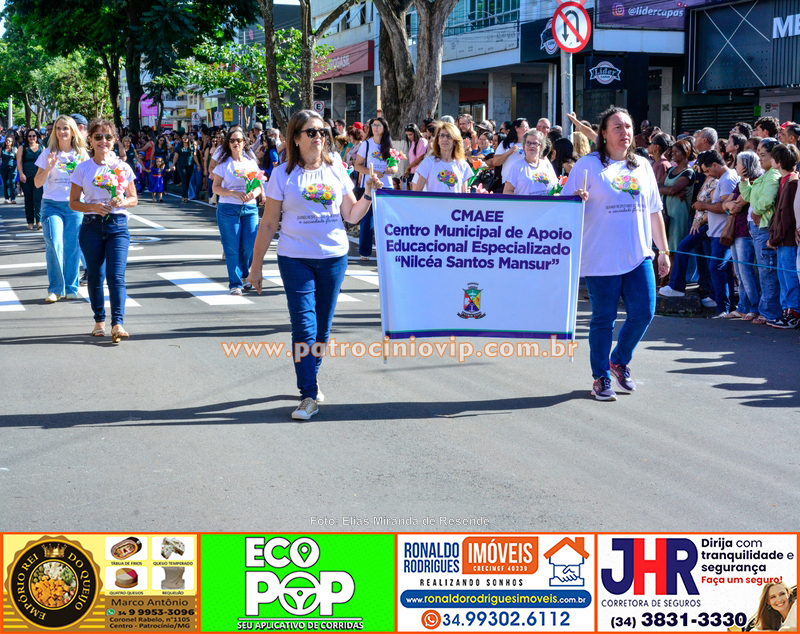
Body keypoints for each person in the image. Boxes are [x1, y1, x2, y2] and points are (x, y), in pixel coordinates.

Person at [248, 110, 382, 420]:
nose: (319, 136)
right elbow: (268, 224)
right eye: (311, 132)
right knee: (304, 327)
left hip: (334, 258)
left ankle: (311, 376)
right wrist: (256, 268)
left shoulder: (336, 169)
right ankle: (308, 394)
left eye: (322, 131)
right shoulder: (282, 174)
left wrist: (370, 194)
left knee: (322, 329)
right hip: (295, 258)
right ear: (296, 138)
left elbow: (350, 214)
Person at [563, 107, 670, 401]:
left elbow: (654, 212)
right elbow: (565, 209)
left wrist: (663, 250)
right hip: (601, 257)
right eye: (618, 127)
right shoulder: (587, 166)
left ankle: (619, 360)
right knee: (603, 318)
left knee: (644, 312)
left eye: (628, 126)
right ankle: (600, 377)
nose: (625, 132)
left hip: (638, 256)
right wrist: (576, 201)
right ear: (604, 133)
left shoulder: (643, 167)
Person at [69, 118, 138, 342]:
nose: (103, 141)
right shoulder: (83, 169)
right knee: (96, 276)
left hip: (117, 225)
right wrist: (93, 207)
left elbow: (134, 198)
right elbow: (73, 203)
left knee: (116, 276)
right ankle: (99, 320)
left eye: (108, 137)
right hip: (91, 225)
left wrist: (122, 202)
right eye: (98, 137)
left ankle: (118, 323)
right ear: (90, 140)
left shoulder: (122, 168)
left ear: (114, 140)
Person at [34, 114, 90, 303]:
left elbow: (89, 183)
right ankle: (56, 289)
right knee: (54, 242)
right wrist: (49, 167)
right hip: (51, 205)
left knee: (73, 247)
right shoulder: (48, 152)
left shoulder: (81, 154)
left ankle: (71, 287)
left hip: (74, 204)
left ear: (73, 131)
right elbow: (37, 182)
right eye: (58, 128)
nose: (61, 132)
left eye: (65, 128)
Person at [211, 127, 264, 295]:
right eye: (232, 141)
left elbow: (258, 187)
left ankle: (245, 274)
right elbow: (216, 187)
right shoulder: (224, 164)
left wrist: (253, 194)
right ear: (228, 144)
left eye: (238, 140)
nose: (235, 143)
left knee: (249, 246)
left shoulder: (251, 163)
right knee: (232, 247)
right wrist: (233, 193)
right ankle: (235, 283)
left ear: (244, 143)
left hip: (249, 208)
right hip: (228, 209)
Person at [740, 138, 782, 324]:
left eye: (762, 154)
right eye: (758, 153)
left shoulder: (772, 175)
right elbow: (748, 196)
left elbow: (768, 199)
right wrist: (744, 180)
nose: (759, 157)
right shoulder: (764, 175)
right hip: (756, 229)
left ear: (774, 157)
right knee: (762, 271)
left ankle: (770, 313)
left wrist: (757, 211)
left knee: (767, 271)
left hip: (764, 228)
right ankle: (764, 310)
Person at [694, 150, 740, 316]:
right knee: (724, 269)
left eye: (707, 171)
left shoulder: (727, 180)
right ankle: (728, 308)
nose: (708, 175)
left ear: (715, 165)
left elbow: (725, 207)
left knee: (716, 267)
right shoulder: (726, 178)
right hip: (718, 231)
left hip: (722, 232)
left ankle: (723, 308)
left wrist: (703, 206)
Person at [765, 143, 800, 328]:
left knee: (790, 277)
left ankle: (793, 313)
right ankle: (786, 311)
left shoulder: (793, 182)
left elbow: (787, 216)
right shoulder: (784, 180)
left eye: (772, 157)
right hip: (780, 239)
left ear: (778, 162)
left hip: (787, 241)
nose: (770, 160)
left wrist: (775, 237)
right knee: (783, 276)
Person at [354, 116, 396, 260]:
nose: (375, 128)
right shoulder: (366, 144)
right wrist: (372, 173)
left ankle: (386, 250)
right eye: (373, 125)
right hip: (370, 185)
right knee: (367, 219)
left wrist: (391, 169)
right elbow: (357, 165)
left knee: (386, 219)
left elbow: (394, 166)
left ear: (384, 128)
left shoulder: (389, 146)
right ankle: (364, 252)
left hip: (387, 186)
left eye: (378, 125)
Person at [658, 138, 695, 256]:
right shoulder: (670, 170)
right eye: (672, 151)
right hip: (665, 213)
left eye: (676, 152)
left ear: (686, 153)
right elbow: (657, 185)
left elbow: (673, 189)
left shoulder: (688, 172)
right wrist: (670, 191)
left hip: (678, 215)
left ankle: (674, 274)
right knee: (663, 248)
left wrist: (672, 191)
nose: (673, 154)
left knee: (674, 250)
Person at [412, 122, 470, 193]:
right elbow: (418, 192)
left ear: (455, 141)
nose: (445, 139)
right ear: (438, 141)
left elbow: (464, 196)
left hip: (454, 204)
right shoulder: (428, 163)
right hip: (433, 204)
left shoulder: (463, 165)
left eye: (449, 136)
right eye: (442, 136)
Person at [503, 129, 557, 196]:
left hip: (546, 205)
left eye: (535, 143)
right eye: (528, 143)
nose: (531, 146)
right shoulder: (517, 166)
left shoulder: (547, 165)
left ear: (541, 147)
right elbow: (507, 192)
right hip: (525, 206)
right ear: (524, 146)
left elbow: (555, 188)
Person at [18, 128, 44, 230]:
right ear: (26, 137)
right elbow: (19, 162)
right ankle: (30, 222)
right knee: (28, 199)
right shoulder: (22, 148)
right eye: (29, 136)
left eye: (34, 136)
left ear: (37, 137)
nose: (32, 138)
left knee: (38, 199)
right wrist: (21, 174)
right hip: (26, 177)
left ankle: (39, 221)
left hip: (38, 177)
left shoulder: (42, 148)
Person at [172, 133, 201, 203]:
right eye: (183, 137)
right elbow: (176, 156)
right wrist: (173, 165)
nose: (185, 139)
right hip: (181, 165)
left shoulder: (192, 146)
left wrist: (198, 164)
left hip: (190, 165)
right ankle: (184, 196)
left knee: (188, 180)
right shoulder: (179, 146)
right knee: (184, 179)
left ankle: (186, 195)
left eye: (186, 138)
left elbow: (194, 156)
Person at [402, 123, 428, 190]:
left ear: (415, 132)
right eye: (407, 135)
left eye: (410, 134)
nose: (409, 137)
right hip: (412, 173)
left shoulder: (422, 141)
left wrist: (408, 167)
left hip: (419, 174)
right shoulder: (413, 142)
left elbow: (420, 158)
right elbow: (411, 159)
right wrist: (407, 171)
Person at [1, 135, 18, 204]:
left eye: (9, 141)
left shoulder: (15, 149)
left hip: (12, 168)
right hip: (4, 168)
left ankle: (13, 198)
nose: (7, 142)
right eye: (6, 141)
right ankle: (6, 198)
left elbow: (18, 159)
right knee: (5, 183)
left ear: (12, 142)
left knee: (12, 183)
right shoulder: (2, 149)